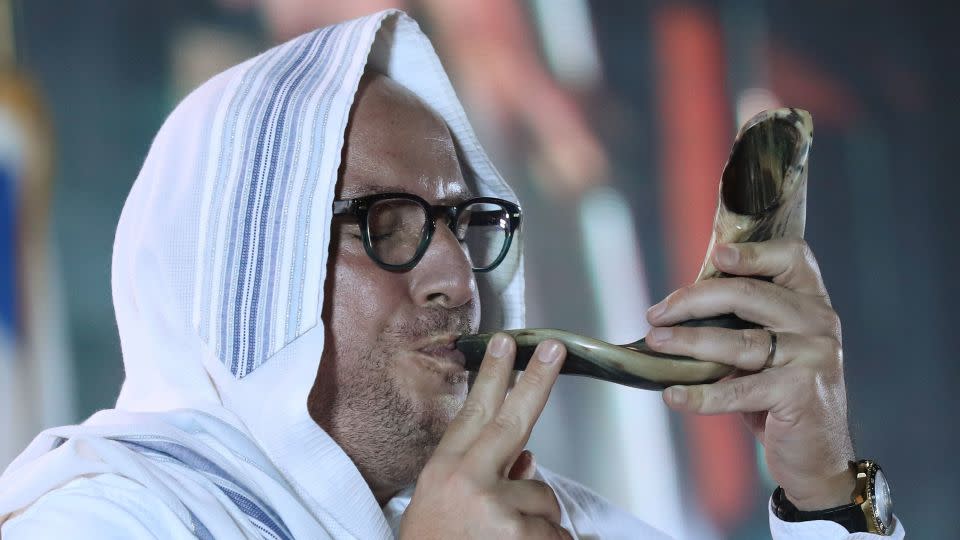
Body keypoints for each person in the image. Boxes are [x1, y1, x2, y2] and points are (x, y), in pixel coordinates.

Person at [0, 10, 902, 539]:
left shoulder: (546, 520)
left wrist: (823, 490)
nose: (454, 276)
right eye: (385, 224)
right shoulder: (105, 520)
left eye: (466, 222)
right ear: (242, 269)